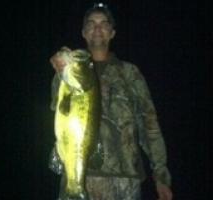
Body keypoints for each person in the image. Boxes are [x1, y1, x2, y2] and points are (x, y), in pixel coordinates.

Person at [49, 3, 173, 200]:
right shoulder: (67, 73)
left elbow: (149, 125)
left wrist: (161, 175)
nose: (97, 28)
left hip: (125, 181)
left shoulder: (130, 73)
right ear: (84, 32)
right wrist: (61, 72)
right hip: (80, 176)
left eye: (104, 24)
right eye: (91, 24)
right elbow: (58, 111)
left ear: (112, 33)